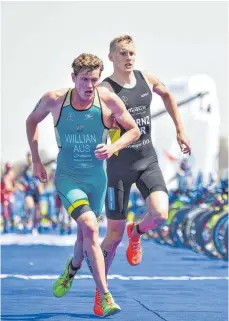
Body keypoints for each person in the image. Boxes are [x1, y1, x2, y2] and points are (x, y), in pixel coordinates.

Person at [26, 53, 140, 317]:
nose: (90, 86)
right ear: (73, 78)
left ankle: (72, 269)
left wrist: (113, 147)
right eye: (85, 80)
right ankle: (105, 294)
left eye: (95, 80)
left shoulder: (108, 100)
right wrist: (36, 161)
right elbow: (32, 120)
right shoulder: (54, 100)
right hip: (68, 177)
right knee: (89, 227)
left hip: (96, 179)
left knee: (84, 235)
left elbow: (133, 130)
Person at [93, 35, 192, 316]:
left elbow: (169, 96)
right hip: (118, 168)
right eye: (123, 53)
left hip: (147, 160)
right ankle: (101, 292)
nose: (129, 57)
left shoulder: (146, 79)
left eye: (132, 52)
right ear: (111, 56)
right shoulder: (103, 90)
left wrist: (180, 130)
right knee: (111, 237)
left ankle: (136, 232)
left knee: (161, 214)